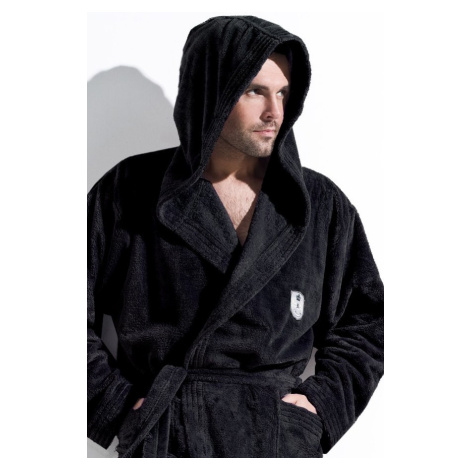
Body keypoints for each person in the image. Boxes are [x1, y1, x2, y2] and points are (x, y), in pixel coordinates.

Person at [87, 15, 384, 458]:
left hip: (276, 442)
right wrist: (114, 407)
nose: (274, 113)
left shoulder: (319, 204)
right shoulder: (129, 190)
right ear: (211, 92)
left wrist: (321, 408)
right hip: (167, 436)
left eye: (283, 93)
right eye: (255, 91)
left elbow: (368, 321)